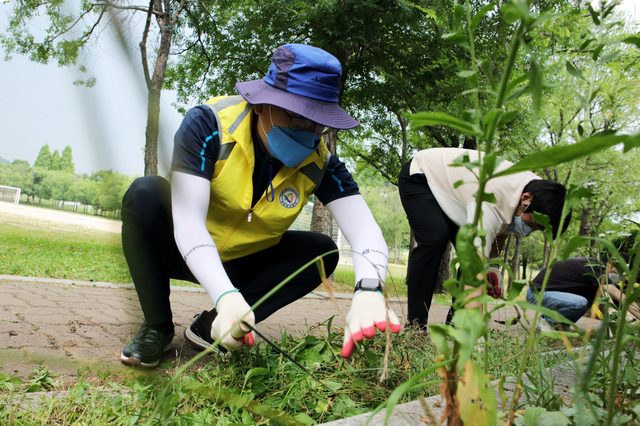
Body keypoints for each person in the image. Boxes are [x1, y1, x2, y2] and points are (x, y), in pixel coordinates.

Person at [118, 44, 401, 368]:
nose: (308, 132)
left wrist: (369, 289)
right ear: (263, 104)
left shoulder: (320, 163)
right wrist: (225, 295)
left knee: (322, 251)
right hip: (182, 249)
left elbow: (364, 229)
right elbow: (189, 220)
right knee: (145, 194)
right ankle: (157, 326)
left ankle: (213, 326)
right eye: (297, 116)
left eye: (318, 122)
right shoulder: (209, 126)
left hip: (246, 262)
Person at [398, 148, 570, 328]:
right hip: (422, 175)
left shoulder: (537, 193)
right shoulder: (491, 201)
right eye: (533, 223)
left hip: (459, 193)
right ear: (526, 199)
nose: (530, 230)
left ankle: (456, 325)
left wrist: (493, 267)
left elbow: (501, 229)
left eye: (538, 229)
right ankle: (416, 326)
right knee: (435, 239)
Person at [526, 257, 605, 331]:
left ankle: (561, 324)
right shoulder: (594, 268)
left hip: (552, 293)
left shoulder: (594, 267)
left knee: (592, 296)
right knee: (580, 303)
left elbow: (603, 300)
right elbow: (610, 294)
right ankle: (547, 319)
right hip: (536, 294)